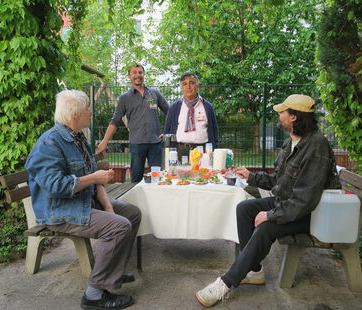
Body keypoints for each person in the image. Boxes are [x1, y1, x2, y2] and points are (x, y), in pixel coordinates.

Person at [195, 94, 341, 307]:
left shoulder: (317, 146)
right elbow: (280, 181)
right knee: (244, 209)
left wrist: (270, 215)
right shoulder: (291, 141)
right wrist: (250, 176)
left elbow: (305, 201)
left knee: (266, 227)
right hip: (287, 203)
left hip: (309, 214)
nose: (279, 114)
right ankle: (254, 271)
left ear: (294, 117)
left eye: (282, 111)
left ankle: (226, 283)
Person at [25, 90, 141, 310]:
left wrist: (108, 206)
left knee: (132, 214)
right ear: (74, 115)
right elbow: (56, 186)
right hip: (60, 211)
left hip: (82, 202)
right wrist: (94, 177)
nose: (90, 112)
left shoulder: (78, 139)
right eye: (87, 109)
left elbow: (93, 180)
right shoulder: (49, 143)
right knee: (118, 227)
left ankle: (111, 275)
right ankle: (94, 294)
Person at [98, 63, 169, 182]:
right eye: (134, 72)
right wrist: (105, 141)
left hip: (155, 143)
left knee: (157, 179)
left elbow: (171, 112)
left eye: (140, 72)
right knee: (136, 180)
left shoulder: (154, 93)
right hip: (136, 145)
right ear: (129, 76)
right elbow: (115, 121)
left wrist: (168, 132)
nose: (138, 75)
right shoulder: (124, 98)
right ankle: (136, 201)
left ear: (143, 74)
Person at [164, 72, 219, 159]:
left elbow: (214, 131)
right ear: (181, 87)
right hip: (180, 151)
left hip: (202, 151)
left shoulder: (207, 106)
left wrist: (214, 150)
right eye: (184, 84)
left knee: (202, 173)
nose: (188, 87)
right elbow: (167, 131)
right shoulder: (174, 107)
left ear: (197, 86)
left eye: (192, 83)